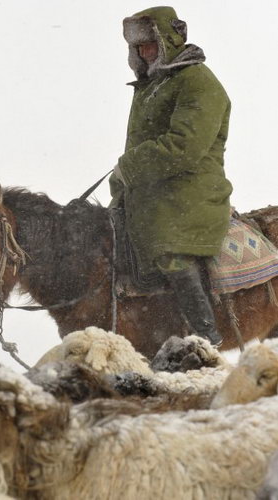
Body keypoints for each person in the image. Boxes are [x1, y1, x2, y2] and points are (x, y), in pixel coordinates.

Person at [109, 6, 233, 345]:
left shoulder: (198, 82)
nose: (144, 52)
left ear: (168, 39)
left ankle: (207, 337)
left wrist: (129, 167)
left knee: (168, 248)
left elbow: (185, 147)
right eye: (138, 47)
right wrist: (121, 182)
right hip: (152, 192)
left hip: (190, 193)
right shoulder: (151, 86)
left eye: (150, 44)